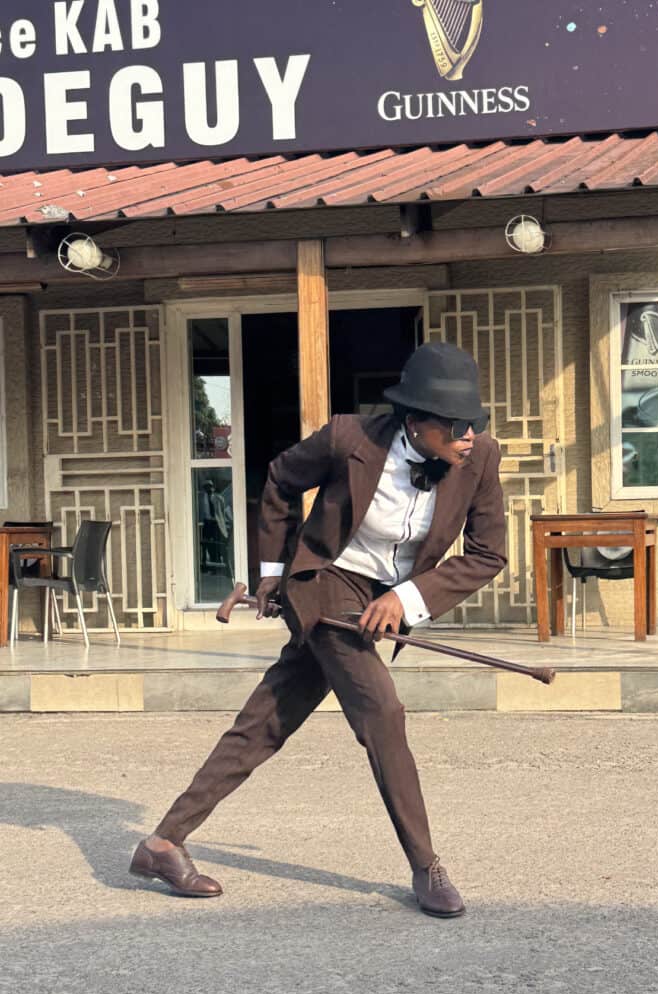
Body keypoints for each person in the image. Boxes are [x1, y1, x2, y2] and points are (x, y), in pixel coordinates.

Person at [130, 342, 507, 918]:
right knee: (383, 712)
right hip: (329, 581)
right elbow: (281, 479)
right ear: (416, 420)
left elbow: (487, 554)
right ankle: (426, 864)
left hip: (389, 592)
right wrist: (272, 571)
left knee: (266, 721)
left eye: (475, 422)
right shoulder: (348, 438)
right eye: (456, 426)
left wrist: (406, 598)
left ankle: (162, 843)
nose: (469, 436)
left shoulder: (481, 458)